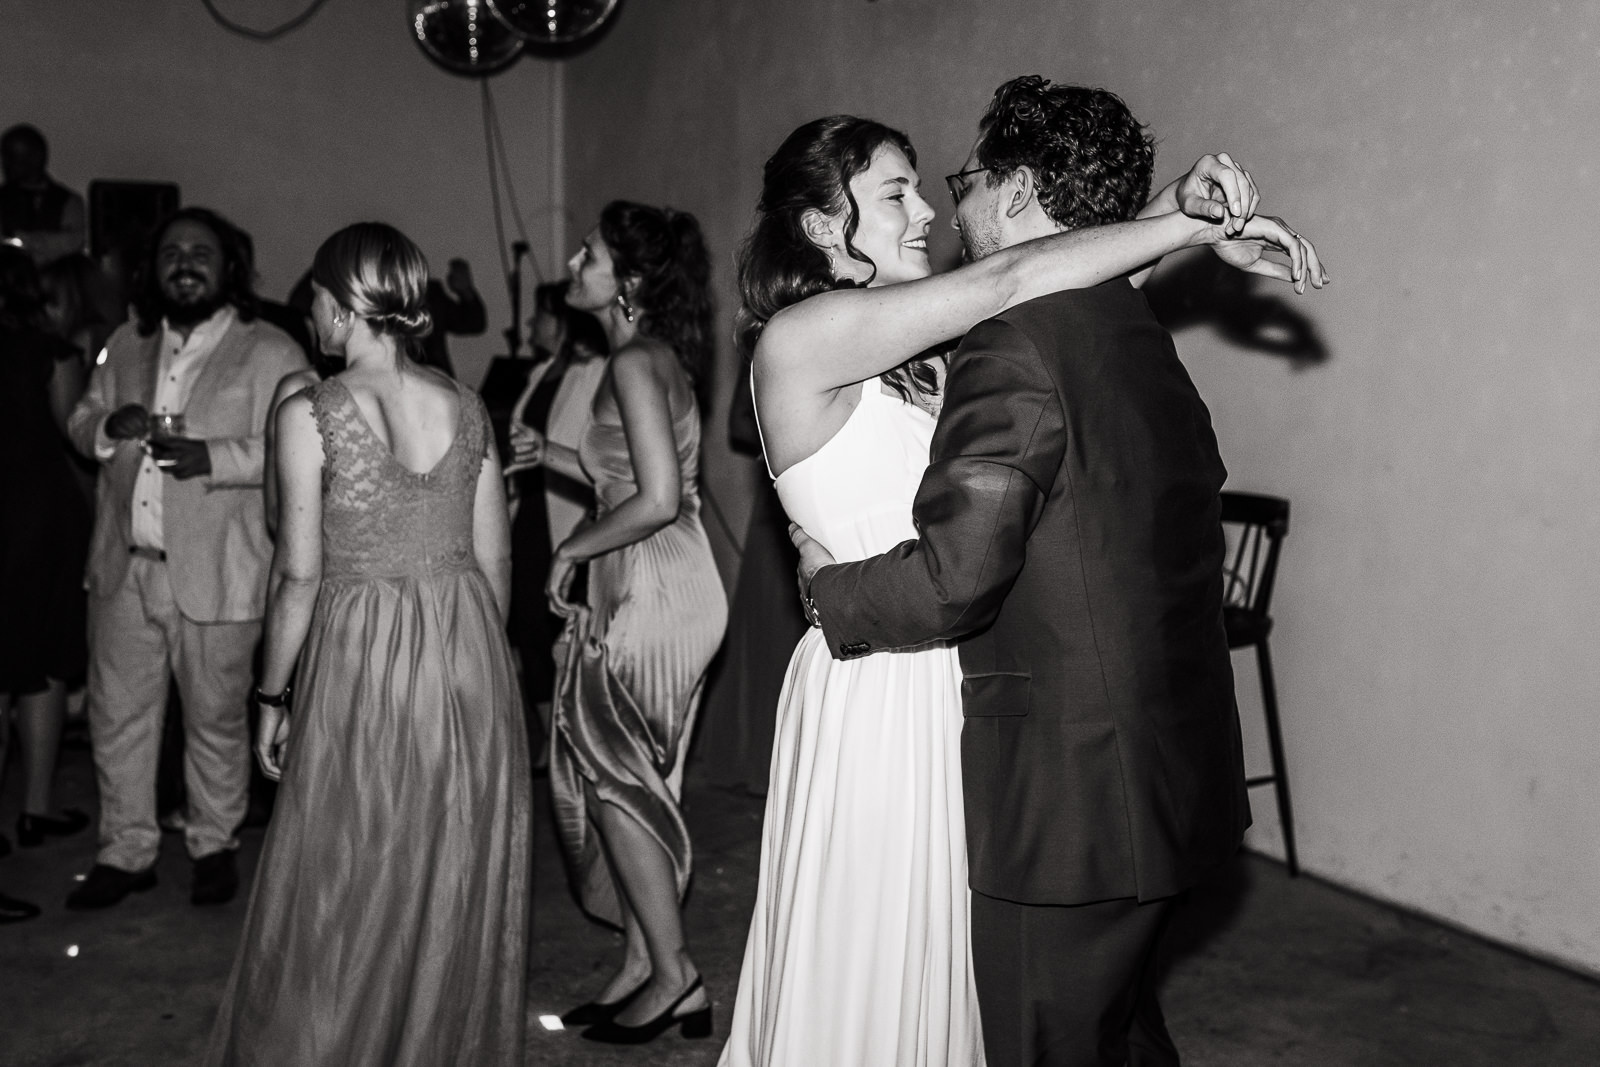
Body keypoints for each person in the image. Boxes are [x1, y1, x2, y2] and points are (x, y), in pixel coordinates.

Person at [719, 95, 1325, 1066]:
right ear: (823, 225)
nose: (925, 212)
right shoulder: (803, 336)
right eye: (895, 193)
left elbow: (1051, 290)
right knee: (879, 968)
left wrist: (1172, 224)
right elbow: (1015, 275)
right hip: (875, 681)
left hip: (962, 691)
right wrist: (1181, 219)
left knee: (971, 986)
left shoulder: (918, 350)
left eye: (928, 187)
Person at [203, 223, 529, 1065]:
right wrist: (481, 666)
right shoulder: (467, 404)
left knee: (345, 872)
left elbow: (298, 574)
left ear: (347, 305)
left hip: (362, 655)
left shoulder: (309, 411)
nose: (308, 308)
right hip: (466, 649)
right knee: (446, 870)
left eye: (315, 293)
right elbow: (495, 557)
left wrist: (271, 696)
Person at [510, 201, 726, 1043]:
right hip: (654, 574)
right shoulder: (644, 357)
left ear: (629, 281)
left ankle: (676, 975)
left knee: (617, 780)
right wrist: (554, 455)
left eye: (590, 252)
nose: (573, 258)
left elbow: (657, 498)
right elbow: (634, 470)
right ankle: (643, 963)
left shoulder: (635, 360)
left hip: (652, 583)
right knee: (630, 780)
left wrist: (569, 553)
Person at [64, 207, 308, 910]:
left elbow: (298, 448)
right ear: (153, 268)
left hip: (220, 571)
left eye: (202, 251)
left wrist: (216, 456)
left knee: (215, 718)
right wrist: (109, 427)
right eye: (172, 252)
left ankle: (212, 843)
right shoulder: (125, 341)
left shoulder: (272, 351)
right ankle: (126, 849)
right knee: (117, 717)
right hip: (123, 566)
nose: (185, 263)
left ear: (231, 266)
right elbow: (81, 420)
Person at [0, 244, 92, 855]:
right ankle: (32, 808)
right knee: (43, 664)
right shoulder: (49, 354)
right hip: (36, 516)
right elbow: (77, 443)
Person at [504, 280, 607, 764]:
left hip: (570, 515)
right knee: (527, 623)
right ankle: (547, 738)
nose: (530, 326)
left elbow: (604, 459)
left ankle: (569, 738)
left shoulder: (597, 372)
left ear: (560, 319)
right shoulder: (540, 370)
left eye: (538, 316)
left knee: (557, 625)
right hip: (527, 514)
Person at [0, 124, 86, 266]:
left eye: (13, 156)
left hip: (54, 285)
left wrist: (23, 240)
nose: (6, 163)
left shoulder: (69, 201)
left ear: (36, 157)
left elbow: (73, 243)